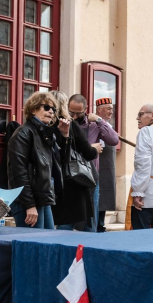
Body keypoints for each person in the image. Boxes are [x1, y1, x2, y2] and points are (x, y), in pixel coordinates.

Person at [7, 91, 60, 229]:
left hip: (42, 198)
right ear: (33, 109)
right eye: (46, 107)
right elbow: (19, 173)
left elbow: (56, 166)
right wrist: (29, 205)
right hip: (27, 200)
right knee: (32, 246)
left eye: (53, 109)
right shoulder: (23, 133)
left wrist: (65, 135)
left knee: (48, 244)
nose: (51, 112)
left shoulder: (45, 134)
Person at [67, 94, 118, 232]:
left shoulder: (94, 125)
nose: (75, 116)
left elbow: (114, 140)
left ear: (86, 109)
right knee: (66, 223)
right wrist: (90, 148)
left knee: (90, 223)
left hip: (89, 179)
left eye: (78, 113)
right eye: (72, 112)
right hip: (68, 179)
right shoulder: (65, 123)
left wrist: (99, 120)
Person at [50, 91, 99, 231]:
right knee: (81, 222)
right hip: (75, 179)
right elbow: (89, 153)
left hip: (53, 179)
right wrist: (95, 149)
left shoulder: (44, 126)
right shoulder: (70, 125)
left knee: (61, 222)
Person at [93, 97, 120, 232]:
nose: (111, 111)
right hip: (100, 166)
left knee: (105, 196)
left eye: (111, 108)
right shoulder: (96, 125)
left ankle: (101, 222)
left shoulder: (107, 125)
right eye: (108, 108)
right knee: (100, 197)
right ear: (99, 110)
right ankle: (98, 224)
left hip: (107, 168)